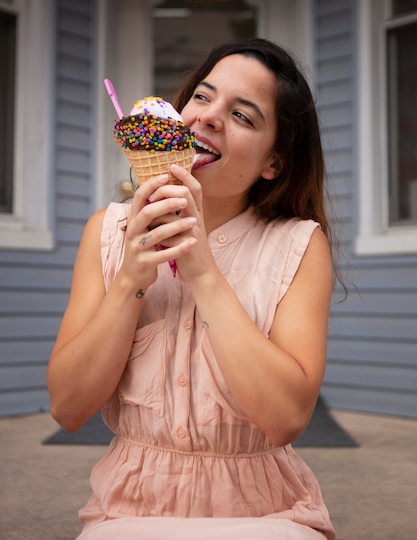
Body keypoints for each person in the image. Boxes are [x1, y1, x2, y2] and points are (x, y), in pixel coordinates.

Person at [47, 38, 337, 540]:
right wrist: (129, 283)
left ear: (274, 163)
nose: (207, 117)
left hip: (264, 515)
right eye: (202, 97)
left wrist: (203, 272)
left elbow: (288, 417)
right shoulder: (108, 231)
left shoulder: (299, 246)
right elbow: (68, 408)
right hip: (128, 513)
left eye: (243, 116)